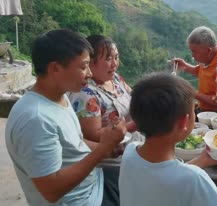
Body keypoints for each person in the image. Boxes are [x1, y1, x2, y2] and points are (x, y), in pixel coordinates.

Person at [5, 29, 127, 206]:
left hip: (94, 183)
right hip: (83, 200)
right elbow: (51, 191)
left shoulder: (59, 96)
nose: (90, 74)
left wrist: (106, 147)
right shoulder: (36, 120)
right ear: (55, 68)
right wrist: (102, 149)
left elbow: (73, 143)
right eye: (83, 66)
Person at [119, 72, 217, 206]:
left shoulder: (130, 152)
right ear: (184, 122)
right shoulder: (194, 179)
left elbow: (165, 179)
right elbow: (178, 178)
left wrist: (202, 160)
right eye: (193, 110)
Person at [69, 35, 137, 144]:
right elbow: (93, 136)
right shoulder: (85, 94)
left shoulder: (115, 78)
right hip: (112, 154)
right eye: (109, 59)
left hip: (133, 143)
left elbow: (135, 97)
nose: (114, 64)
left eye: (116, 57)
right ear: (90, 62)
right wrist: (134, 125)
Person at [172, 26, 217, 115]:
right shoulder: (209, 56)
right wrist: (185, 66)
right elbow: (202, 71)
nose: (193, 55)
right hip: (207, 108)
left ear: (208, 50)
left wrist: (192, 93)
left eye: (195, 52)